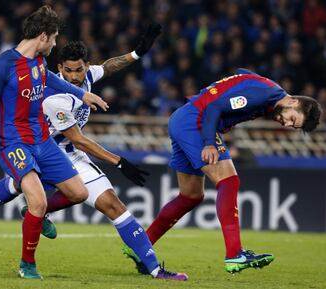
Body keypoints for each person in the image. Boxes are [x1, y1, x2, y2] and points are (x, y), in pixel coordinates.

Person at [0, 24, 188, 281]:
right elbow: (78, 139)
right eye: (68, 70)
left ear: (86, 66)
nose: (74, 76)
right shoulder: (55, 99)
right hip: (46, 148)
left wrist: (136, 54)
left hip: (71, 156)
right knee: (18, 185)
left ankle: (155, 270)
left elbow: (107, 67)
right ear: (59, 68)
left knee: (112, 205)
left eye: (80, 70)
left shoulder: (86, 77)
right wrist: (119, 162)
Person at [0, 5, 108, 280]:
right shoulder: (3, 65)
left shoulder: (39, 62)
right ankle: (27, 265)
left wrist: (83, 96)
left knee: (78, 193)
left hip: (42, 140)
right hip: (14, 143)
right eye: (55, 37)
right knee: (38, 201)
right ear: (44, 36)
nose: (56, 43)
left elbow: (52, 83)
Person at [124, 68, 323, 274]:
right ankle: (235, 254)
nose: (287, 124)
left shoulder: (268, 93)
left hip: (183, 119)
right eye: (292, 119)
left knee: (190, 196)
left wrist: (227, 87)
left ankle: (141, 247)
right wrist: (210, 143)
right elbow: (215, 106)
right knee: (229, 181)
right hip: (197, 122)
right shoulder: (265, 94)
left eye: (293, 126)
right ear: (293, 102)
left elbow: (242, 73)